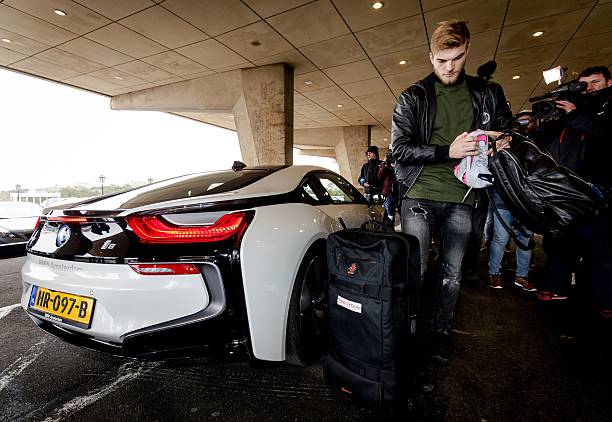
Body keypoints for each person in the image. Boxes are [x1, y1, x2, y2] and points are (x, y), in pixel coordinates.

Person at [391, 20, 513, 361]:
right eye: (441, 60)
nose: (449, 67)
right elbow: (399, 150)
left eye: (457, 58)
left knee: (452, 272)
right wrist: (448, 151)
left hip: (462, 197)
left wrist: (502, 141)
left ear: (467, 51)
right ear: (430, 56)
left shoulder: (487, 92)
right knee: (415, 269)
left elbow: (509, 129)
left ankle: (440, 331)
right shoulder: (413, 96)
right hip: (419, 193)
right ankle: (408, 331)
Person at [535, 66, 612, 320]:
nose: (589, 87)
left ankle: (605, 300)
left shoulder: (603, 110)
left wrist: (575, 115)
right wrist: (550, 118)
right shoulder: (569, 111)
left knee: (598, 250)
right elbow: (544, 146)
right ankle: (558, 287)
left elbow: (604, 137)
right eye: (584, 84)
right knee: (559, 244)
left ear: (609, 83)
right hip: (563, 192)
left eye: (595, 82)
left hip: (598, 193)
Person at [488, 110, 538, 291]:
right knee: (500, 238)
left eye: (527, 122)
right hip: (503, 200)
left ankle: (522, 276)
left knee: (526, 239)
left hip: (526, 202)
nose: (523, 126)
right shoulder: (501, 146)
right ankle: (494, 273)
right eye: (520, 122)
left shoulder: (535, 145)